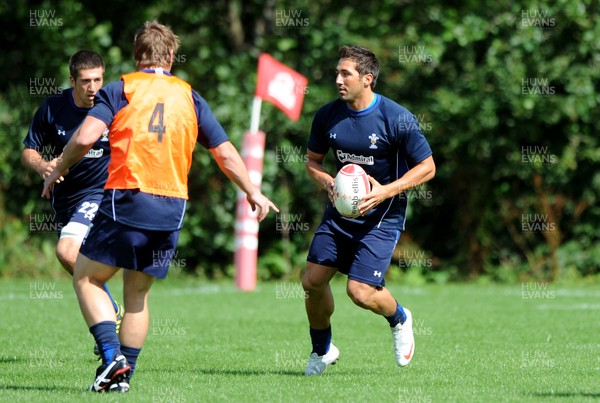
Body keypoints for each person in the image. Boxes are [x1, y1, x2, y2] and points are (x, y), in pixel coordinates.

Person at [42, 20, 278, 393]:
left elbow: (85, 137)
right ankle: (121, 379)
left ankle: (110, 356)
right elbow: (225, 152)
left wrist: (59, 166)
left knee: (87, 277)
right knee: (136, 295)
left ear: (137, 56)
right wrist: (252, 190)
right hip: (172, 206)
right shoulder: (190, 96)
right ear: (170, 56)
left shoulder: (121, 89)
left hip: (128, 197)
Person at [302, 45, 435, 375]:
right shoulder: (327, 116)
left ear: (367, 78)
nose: (337, 79)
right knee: (312, 281)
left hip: (382, 216)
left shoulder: (396, 118)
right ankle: (322, 350)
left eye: (345, 73)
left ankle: (399, 318)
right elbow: (312, 162)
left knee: (359, 292)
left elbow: (428, 167)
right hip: (340, 214)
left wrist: (385, 191)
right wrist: (327, 183)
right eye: (337, 73)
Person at [22, 50, 123, 340]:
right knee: (76, 259)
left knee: (67, 252)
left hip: (100, 194)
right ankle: (111, 310)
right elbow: (28, 150)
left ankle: (108, 319)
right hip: (65, 201)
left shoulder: (112, 105)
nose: (93, 88)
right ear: (72, 80)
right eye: (85, 81)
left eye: (98, 80)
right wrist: (42, 165)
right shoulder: (53, 107)